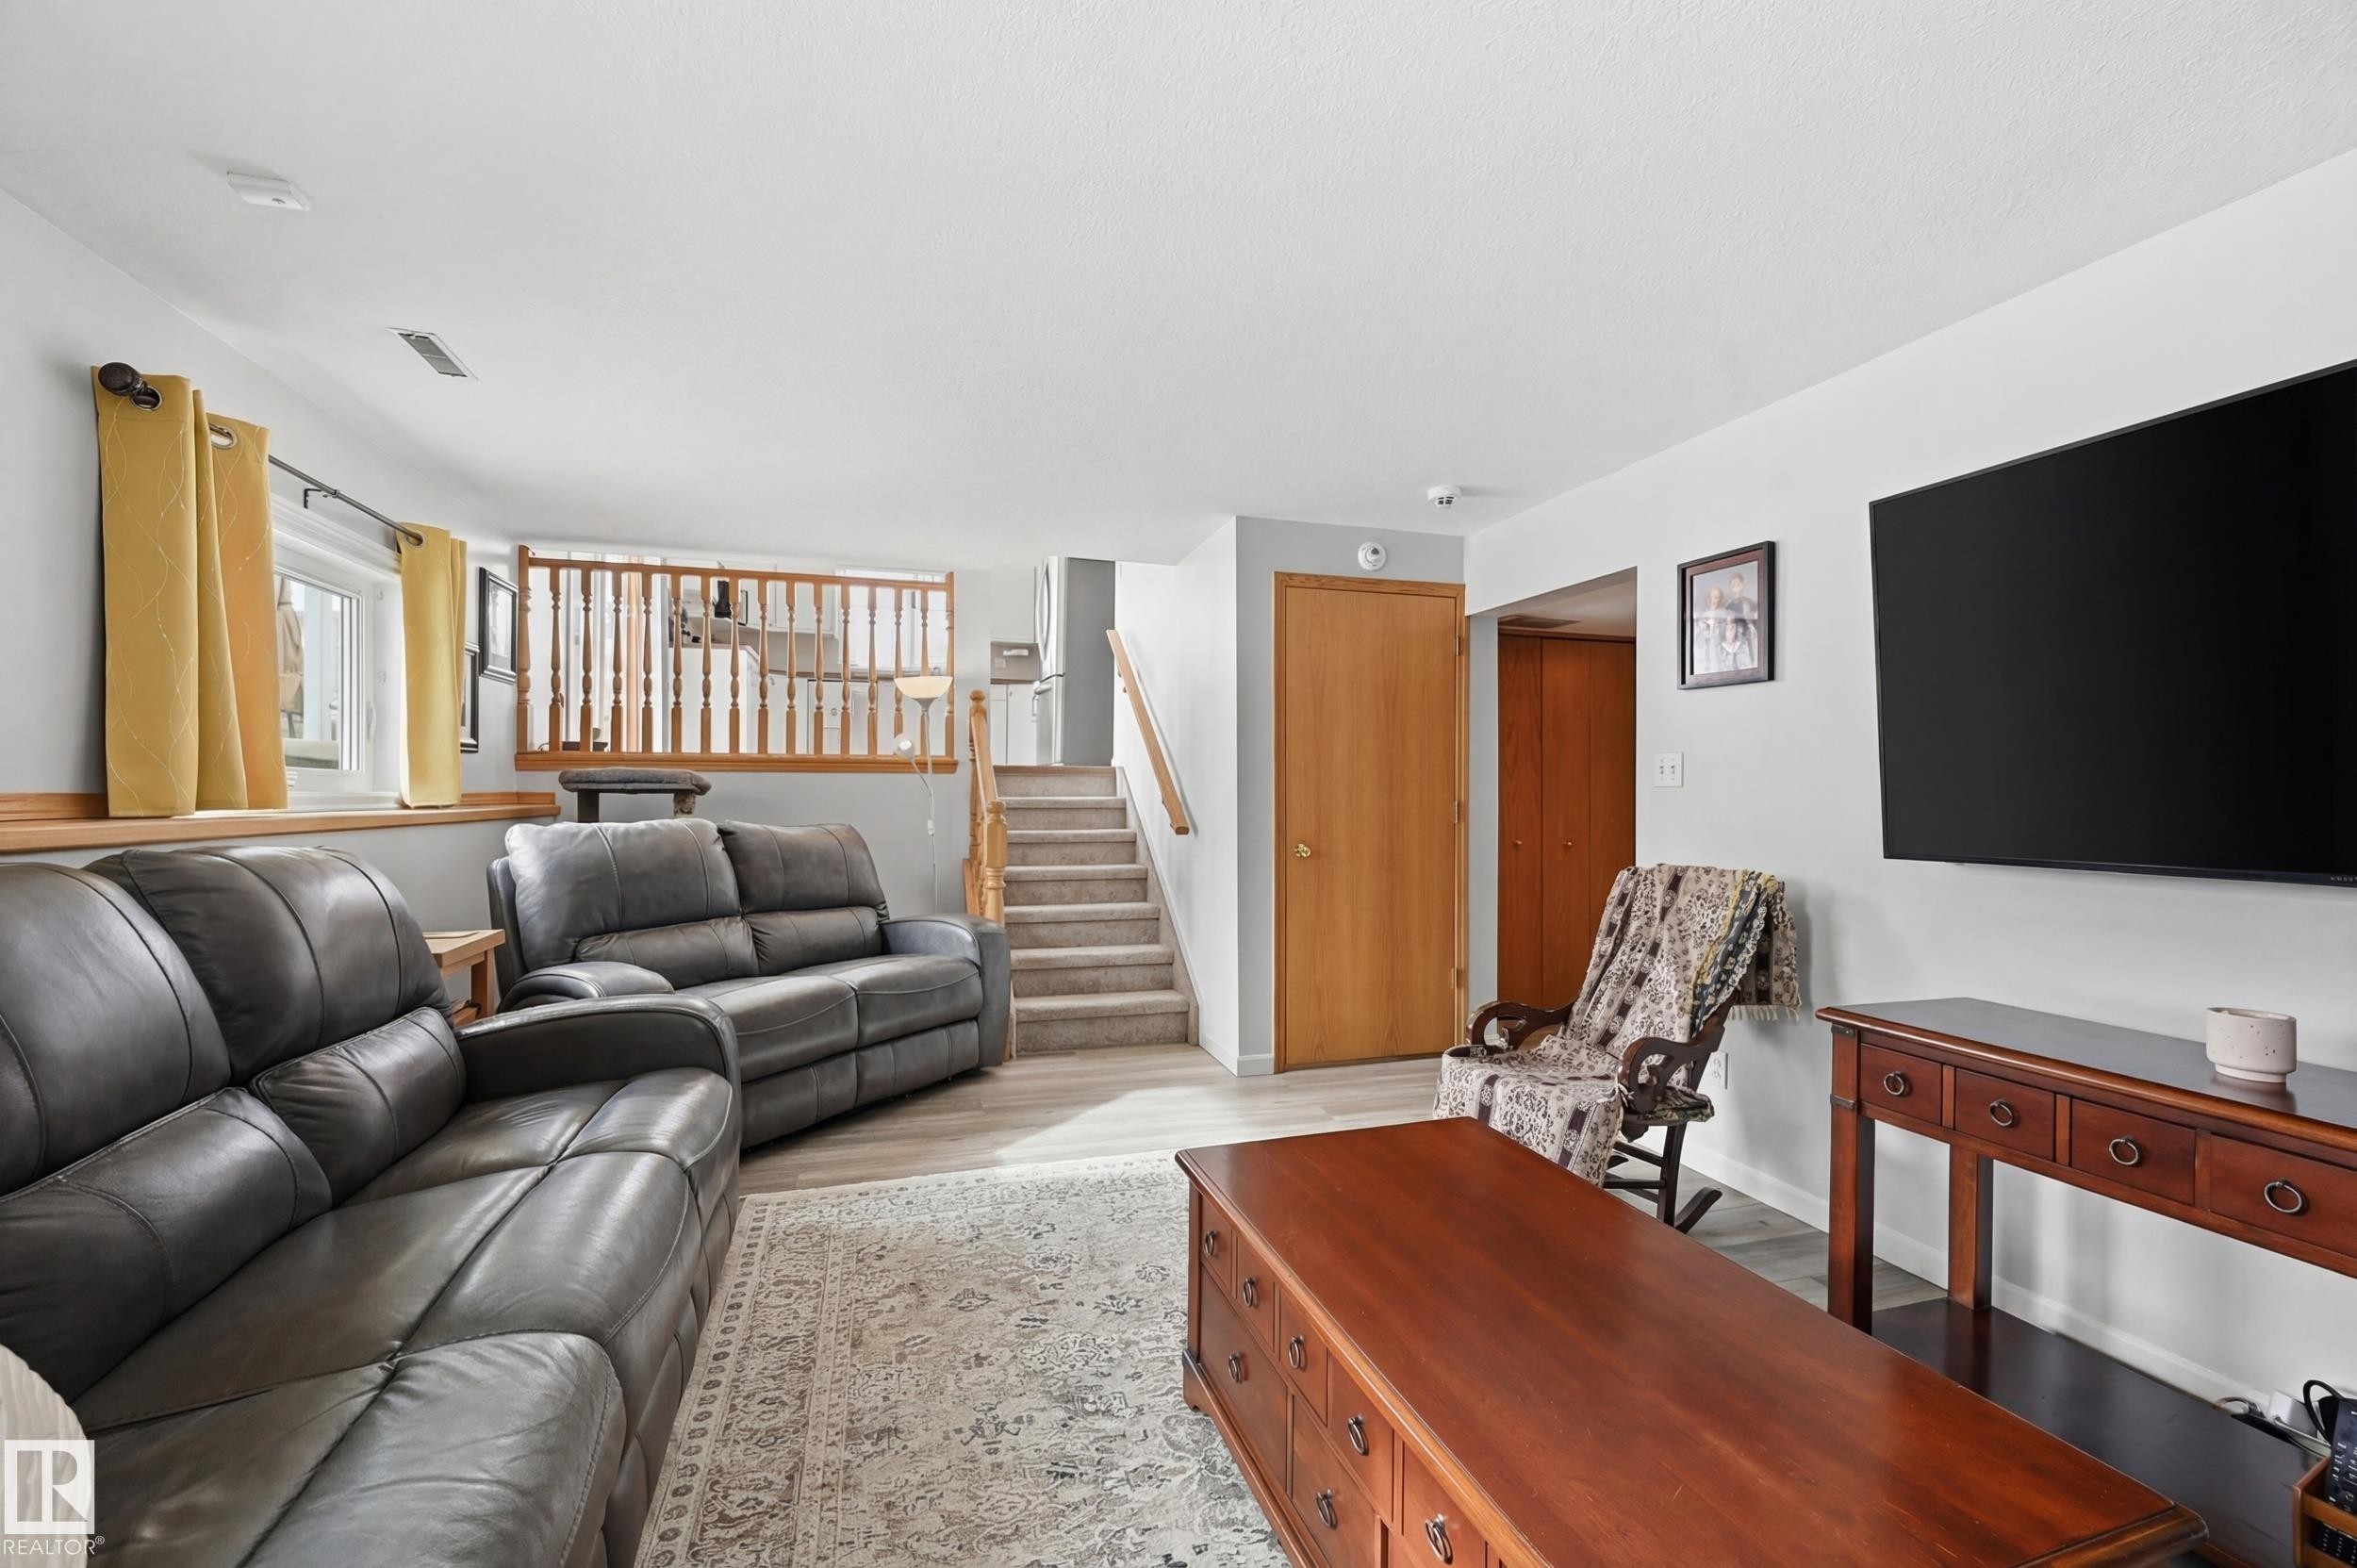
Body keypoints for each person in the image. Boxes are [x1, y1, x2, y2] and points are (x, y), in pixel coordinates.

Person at [1720, 571, 1759, 671]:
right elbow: (1727, 621)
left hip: (1746, 633)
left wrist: (1748, 617)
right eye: (1733, 585)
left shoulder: (1749, 602)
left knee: (1748, 654)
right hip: (1734, 633)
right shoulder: (1728, 605)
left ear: (1743, 585)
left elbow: (1754, 619)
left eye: (1738, 584)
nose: (1736, 587)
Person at [1692, 584, 1725, 674]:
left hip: (1719, 654)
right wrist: (1703, 631)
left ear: (1720, 599)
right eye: (1711, 597)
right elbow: (1696, 641)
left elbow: (1726, 635)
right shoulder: (1702, 615)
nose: (1713, 600)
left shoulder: (1723, 614)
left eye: (1716, 597)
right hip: (1703, 656)